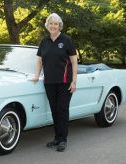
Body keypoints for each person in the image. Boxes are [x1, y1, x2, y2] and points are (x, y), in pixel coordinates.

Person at [33, 13, 78, 152]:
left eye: (56, 24)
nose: (53, 26)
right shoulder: (44, 41)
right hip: (49, 82)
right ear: (47, 25)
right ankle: (57, 138)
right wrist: (36, 76)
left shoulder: (66, 40)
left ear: (60, 26)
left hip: (65, 82)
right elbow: (39, 60)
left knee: (62, 109)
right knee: (54, 110)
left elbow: (74, 61)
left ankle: (63, 139)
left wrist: (74, 81)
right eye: (51, 23)